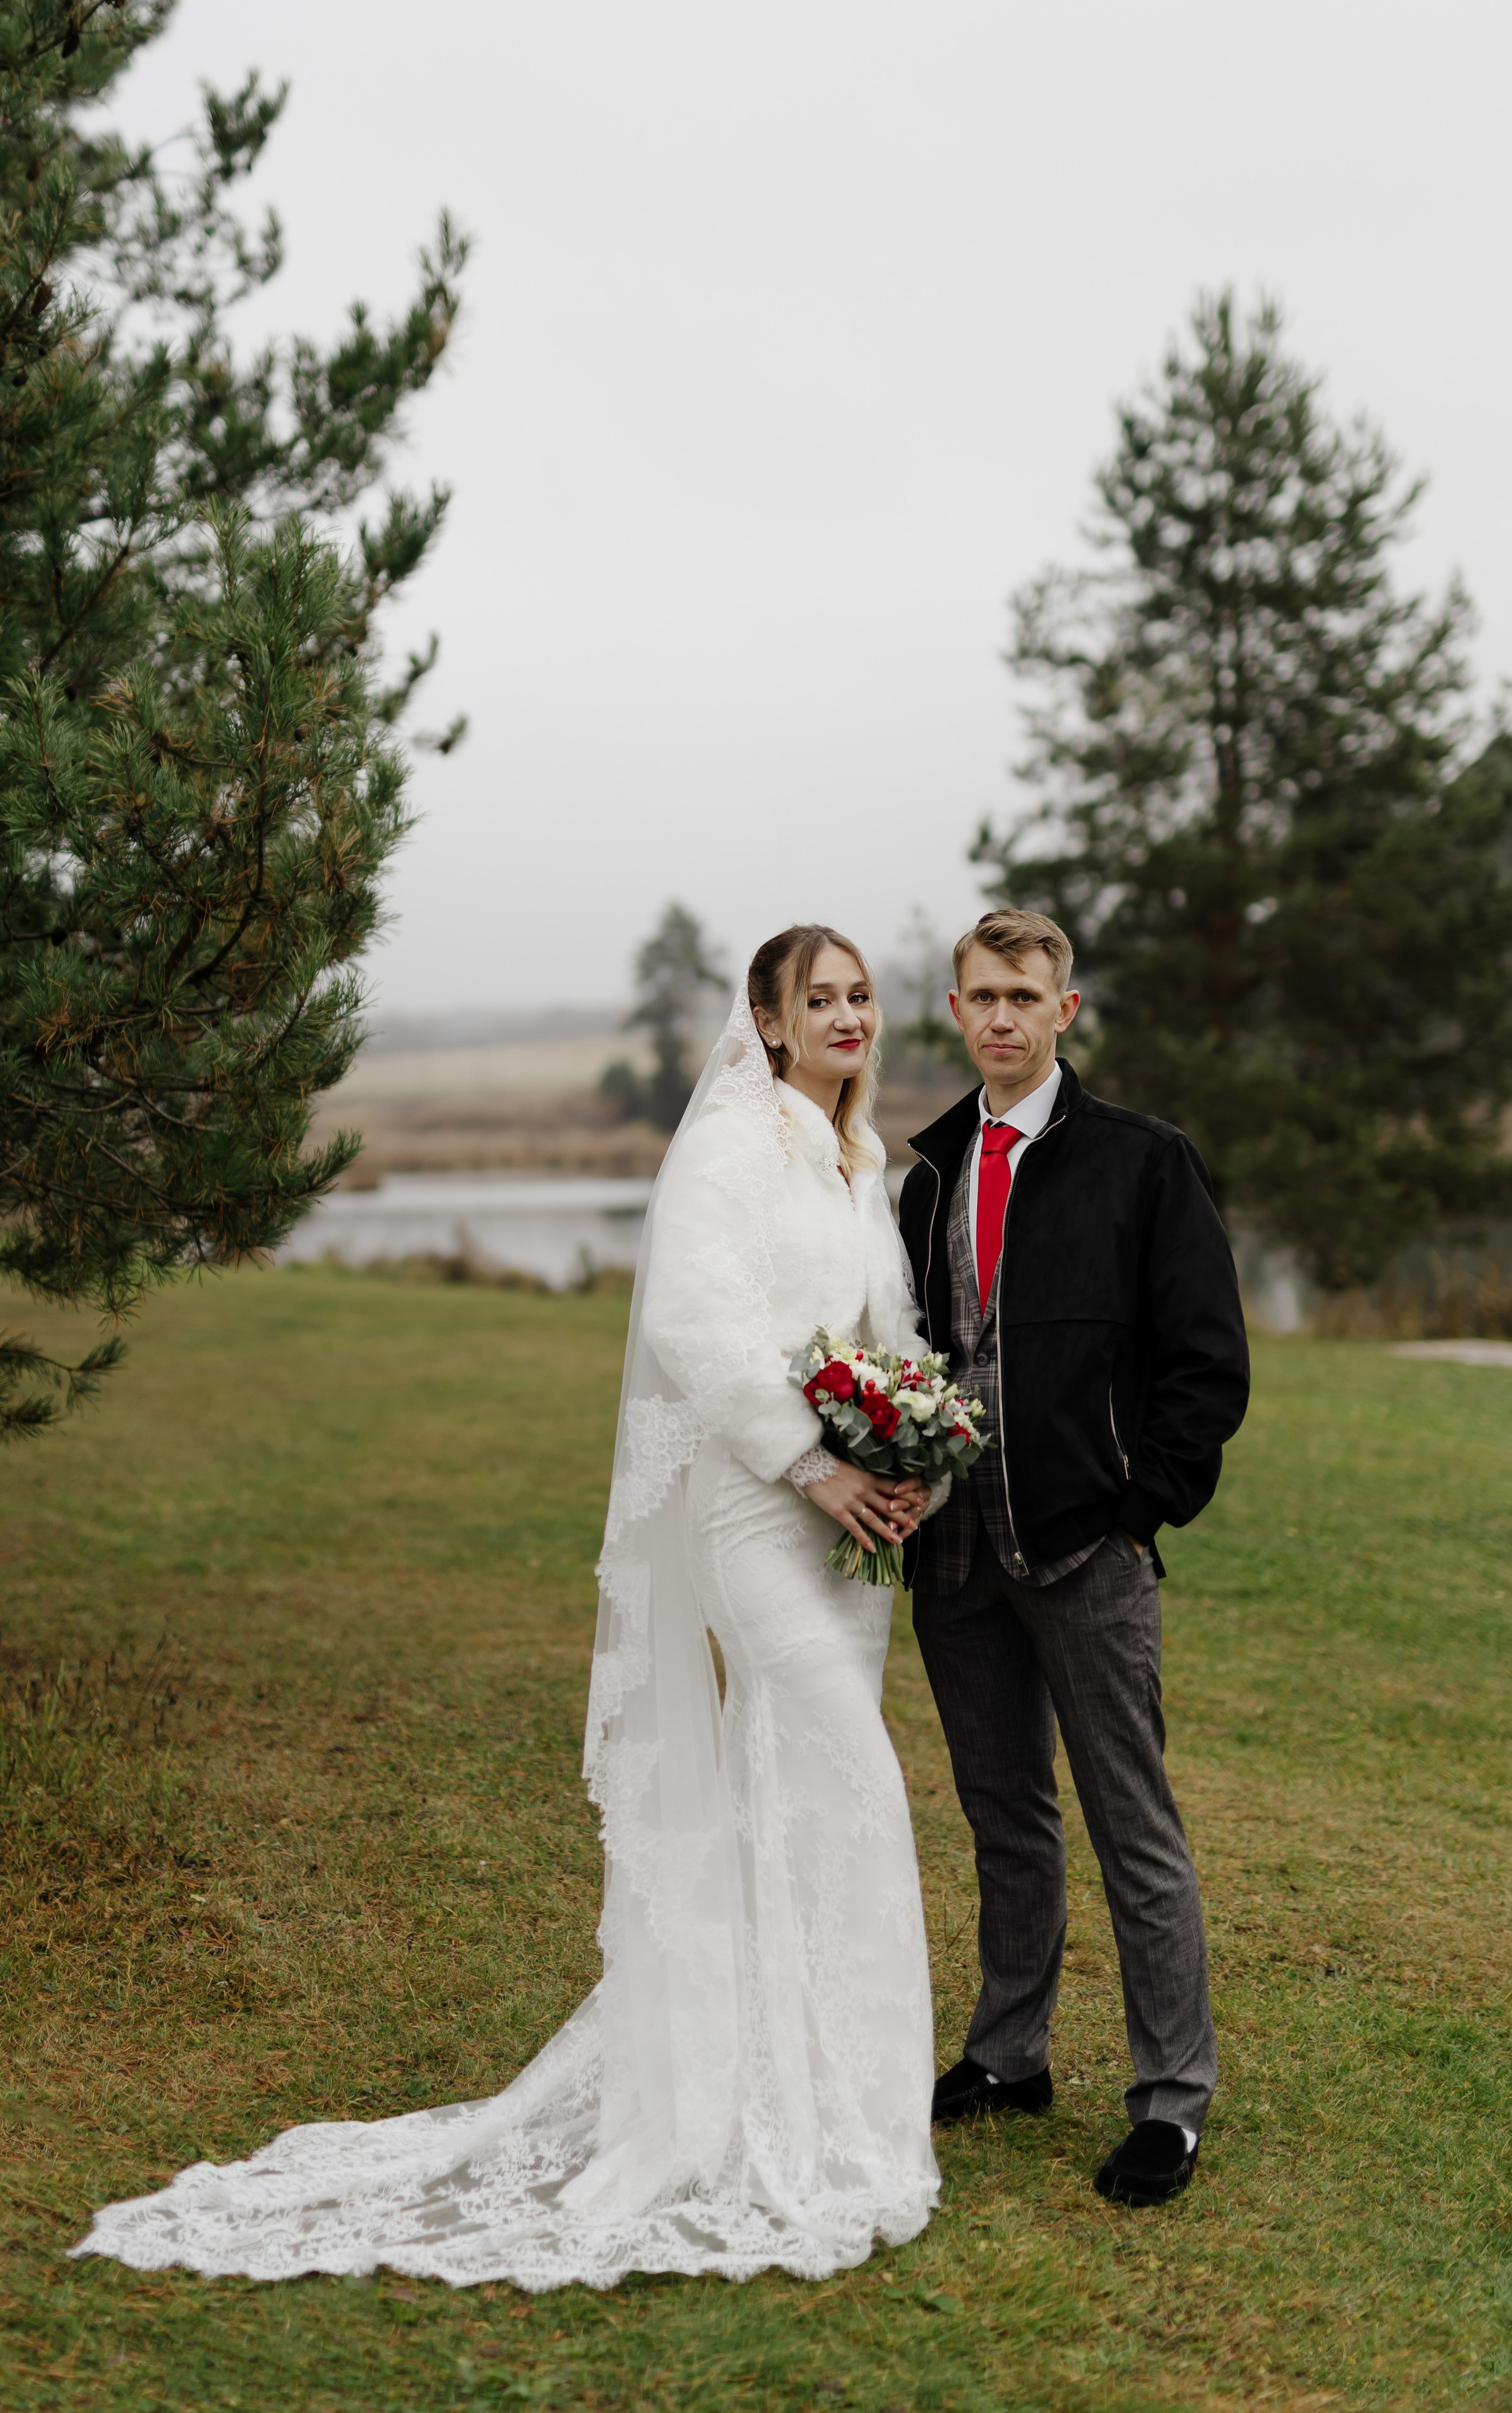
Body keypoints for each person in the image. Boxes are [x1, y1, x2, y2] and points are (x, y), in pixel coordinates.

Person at [70, 926, 940, 2290]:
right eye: (814, 999)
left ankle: (811, 2096)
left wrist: (910, 1446)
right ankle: (802, 2123)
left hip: (845, 1526)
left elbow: (880, 1332)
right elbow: (697, 1330)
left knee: (801, 1791)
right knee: (862, 1776)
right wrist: (812, 1462)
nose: (844, 1015)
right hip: (755, 1511)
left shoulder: (856, 1156)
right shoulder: (733, 1144)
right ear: (768, 1025)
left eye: (859, 995)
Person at [898, 907, 1249, 2207]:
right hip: (955, 1554)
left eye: (1023, 996)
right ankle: (1009, 2054)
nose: (1001, 1017)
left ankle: (1171, 2101)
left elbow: (1205, 1361)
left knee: (1130, 1823)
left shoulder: (1142, 1162)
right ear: (955, 1012)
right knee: (1004, 1816)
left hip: (1085, 1549)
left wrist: (1136, 1510)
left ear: (1065, 1010)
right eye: (980, 997)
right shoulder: (930, 1173)